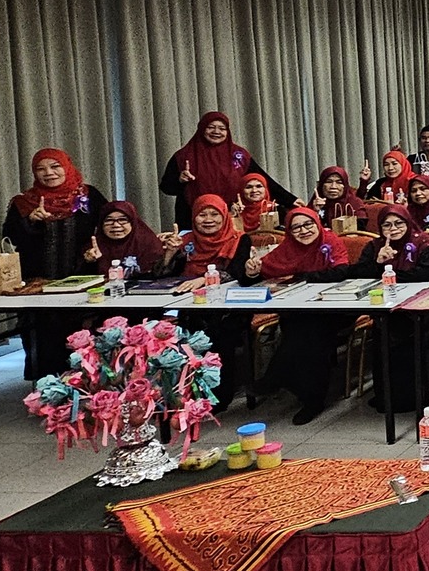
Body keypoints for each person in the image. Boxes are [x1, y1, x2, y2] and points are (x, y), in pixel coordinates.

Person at [2, 148, 112, 378]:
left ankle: (86, 384)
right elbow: (10, 237)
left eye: (55, 166)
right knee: (43, 338)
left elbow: (110, 224)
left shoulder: (88, 196)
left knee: (82, 337)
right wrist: (31, 222)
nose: (49, 173)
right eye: (40, 169)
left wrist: (95, 251)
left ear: (67, 167)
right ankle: (47, 388)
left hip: (83, 278)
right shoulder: (24, 203)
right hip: (39, 284)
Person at [252, 207, 357, 425]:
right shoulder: (287, 248)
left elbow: (341, 272)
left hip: (337, 308)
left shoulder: (330, 240)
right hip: (302, 312)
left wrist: (302, 277)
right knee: (305, 330)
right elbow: (265, 270)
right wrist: (251, 270)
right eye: (296, 227)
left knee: (310, 329)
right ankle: (310, 397)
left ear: (317, 223)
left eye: (308, 224)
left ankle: (277, 378)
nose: (304, 230)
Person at [352, 205, 429, 414]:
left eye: (399, 223)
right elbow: (360, 275)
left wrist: (391, 274)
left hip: (418, 308)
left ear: (408, 222)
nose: (393, 229)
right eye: (387, 225)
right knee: (384, 328)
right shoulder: (374, 246)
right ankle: (388, 396)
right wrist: (378, 263)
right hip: (385, 308)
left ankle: (416, 394)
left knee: (403, 329)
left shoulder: (423, 243)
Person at [168, 195, 256, 409]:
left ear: (224, 216)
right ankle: (184, 393)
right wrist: (169, 254)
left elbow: (237, 272)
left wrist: (204, 279)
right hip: (190, 306)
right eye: (202, 214)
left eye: (214, 214)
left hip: (229, 308)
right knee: (174, 332)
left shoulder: (240, 239)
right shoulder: (185, 242)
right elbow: (167, 275)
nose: (208, 219)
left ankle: (219, 395)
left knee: (218, 331)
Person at [160, 111, 291, 230]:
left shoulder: (239, 155)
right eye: (211, 127)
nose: (216, 131)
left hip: (232, 216)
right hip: (193, 218)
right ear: (201, 129)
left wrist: (290, 200)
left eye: (222, 128)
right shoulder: (183, 156)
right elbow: (166, 188)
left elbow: (262, 180)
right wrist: (180, 180)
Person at [86, 200, 170, 278]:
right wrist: (91, 262)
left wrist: (170, 253)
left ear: (133, 222)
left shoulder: (148, 243)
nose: (116, 225)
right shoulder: (93, 248)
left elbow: (160, 275)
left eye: (122, 220)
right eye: (109, 220)